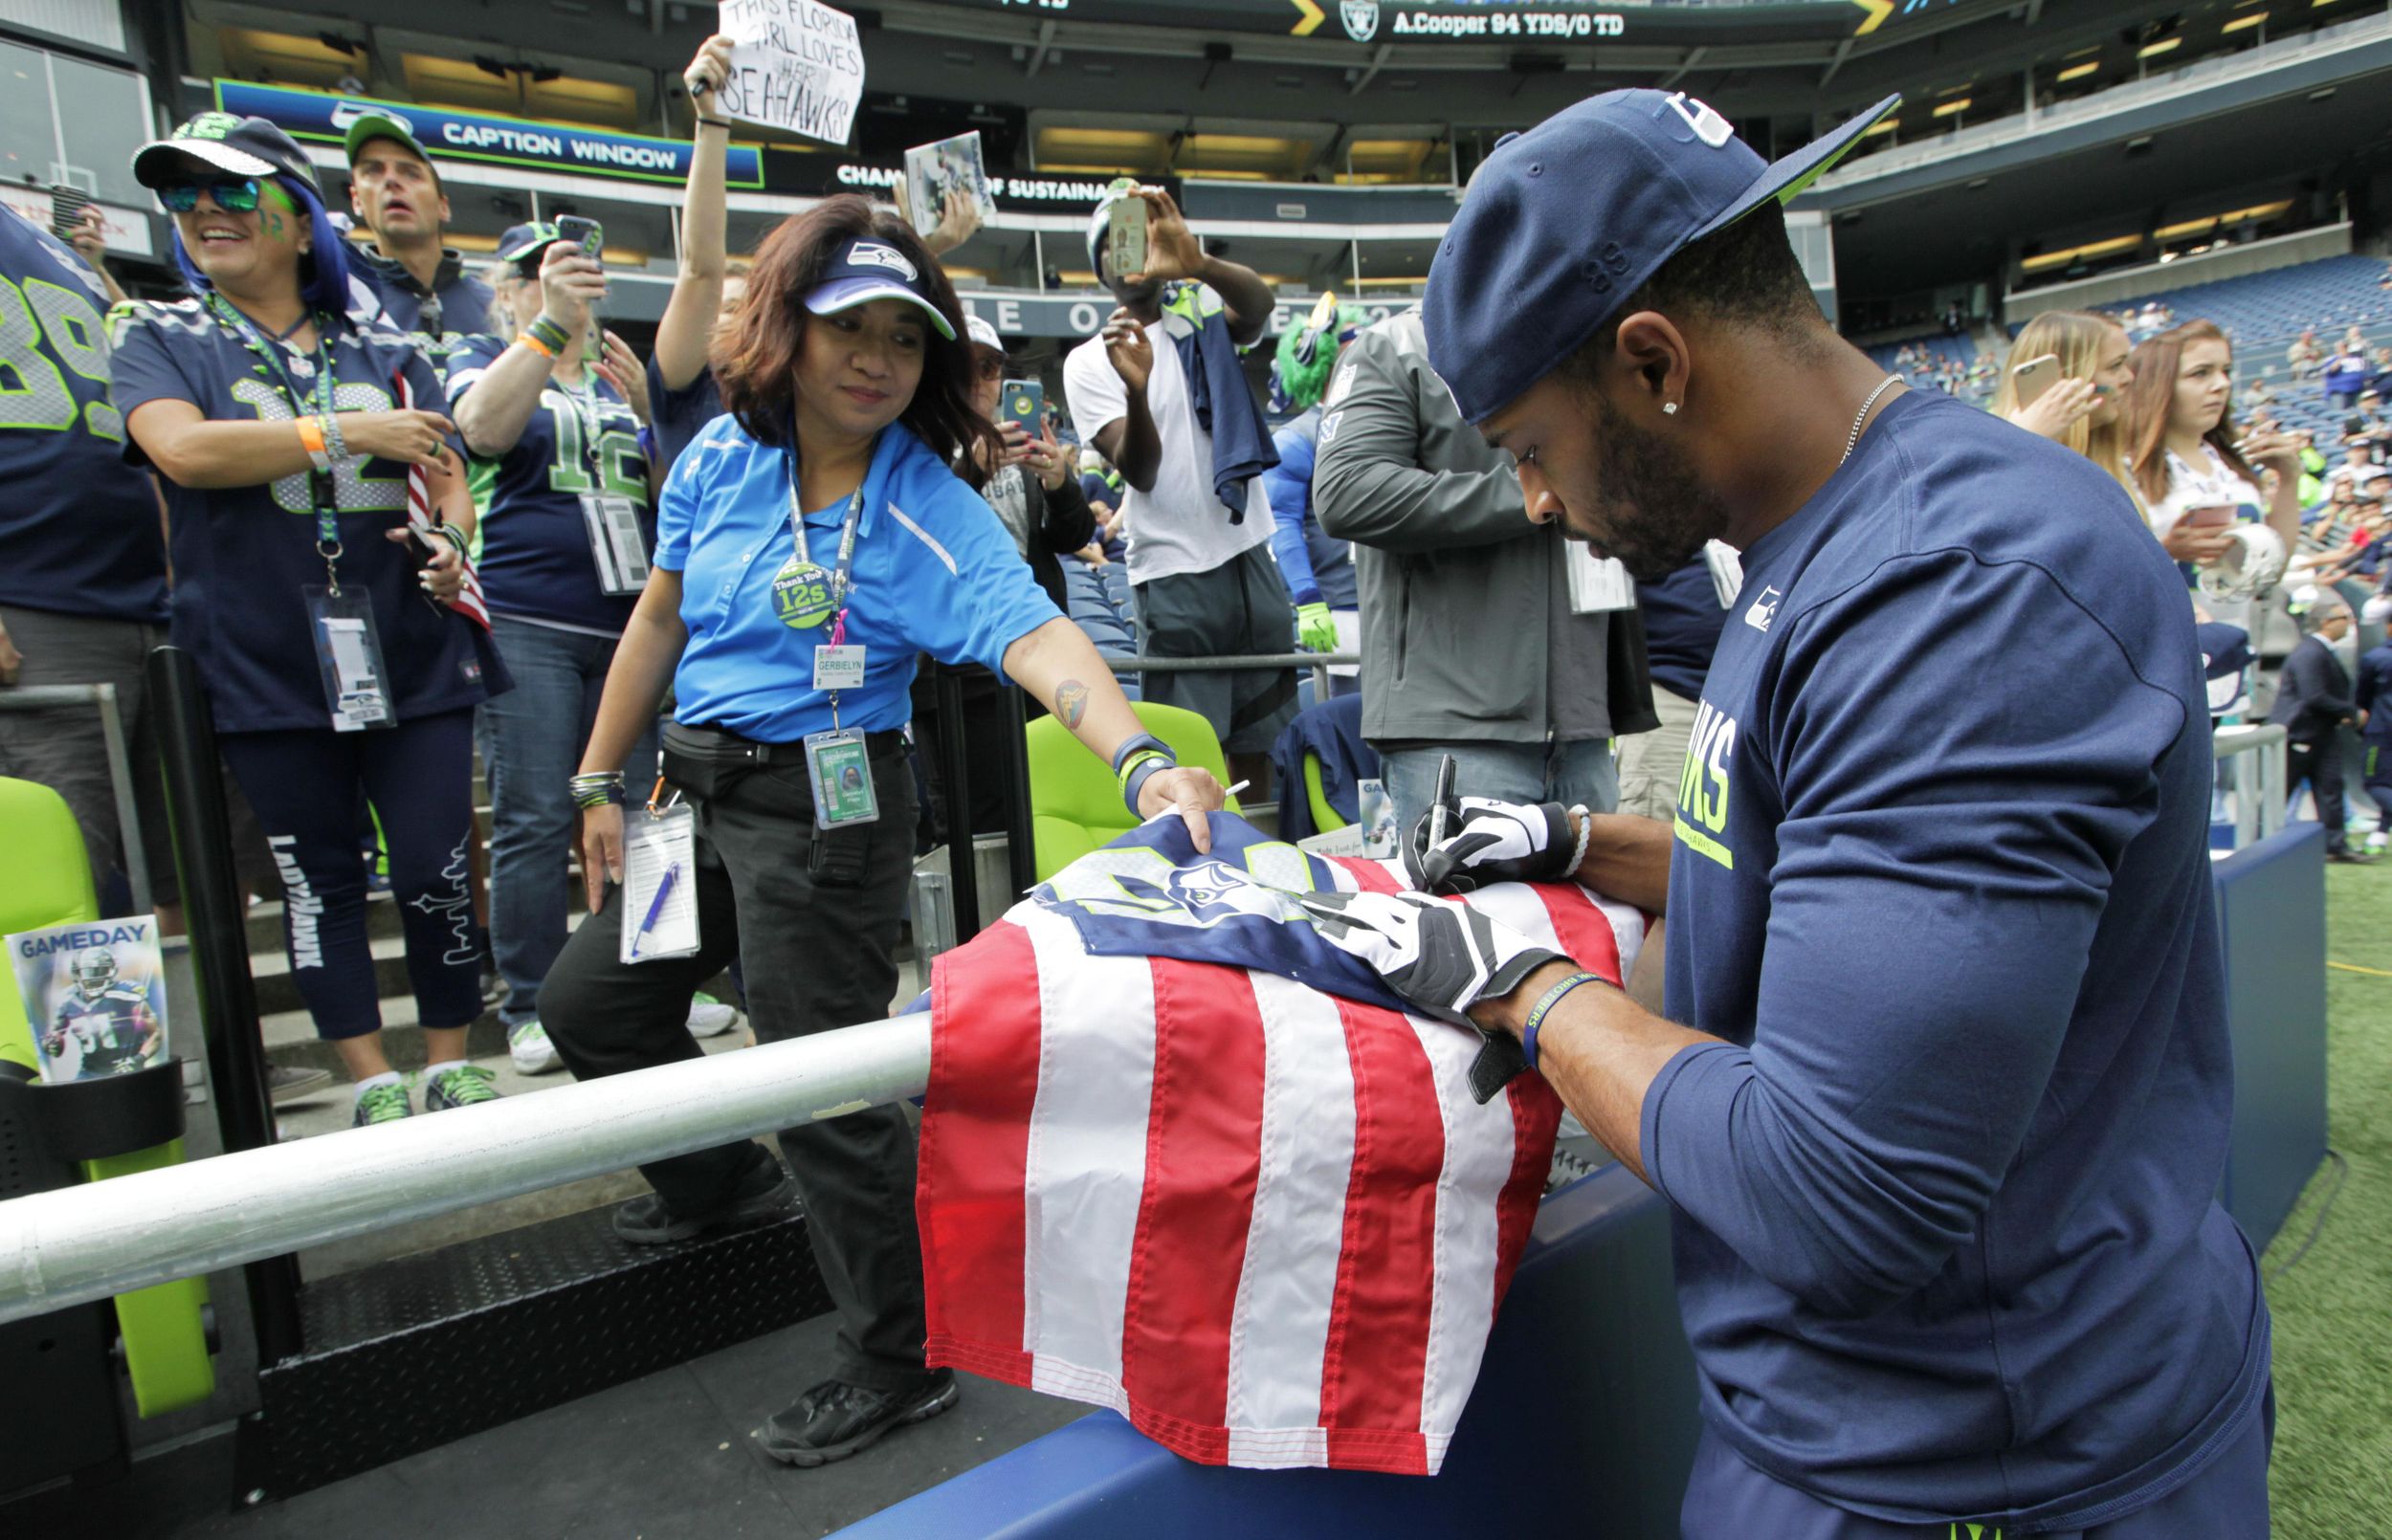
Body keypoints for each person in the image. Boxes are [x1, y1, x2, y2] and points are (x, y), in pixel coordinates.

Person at [1316, 89, 2270, 1535]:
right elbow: (1811, 864)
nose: (1533, 496)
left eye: (1528, 442)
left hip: (1987, 1455)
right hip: (1891, 1415)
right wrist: (1574, 843)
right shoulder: (1824, 531)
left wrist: (1534, 992)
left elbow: (1845, 1191)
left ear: (1654, 361)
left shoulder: (1955, 593)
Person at [534, 197, 1225, 1469]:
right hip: (695, 801)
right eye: (847, 325)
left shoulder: (921, 504)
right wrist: (595, 782)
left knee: (825, 1088)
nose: (876, 356)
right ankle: (719, 1190)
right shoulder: (714, 465)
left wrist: (1137, 758)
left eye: (904, 338)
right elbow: (656, 622)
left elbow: (1038, 632)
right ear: (785, 330)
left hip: (828, 820)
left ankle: (898, 1357)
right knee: (593, 1007)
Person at [112, 113, 504, 1127]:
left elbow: (450, 482)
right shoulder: (157, 332)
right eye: (184, 195)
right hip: (262, 660)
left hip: (411, 649)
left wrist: (452, 544)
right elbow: (185, 453)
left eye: (234, 191)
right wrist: (341, 430)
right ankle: (369, 1071)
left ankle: (450, 1056)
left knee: (434, 865)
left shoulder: (387, 340)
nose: (205, 209)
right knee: (316, 878)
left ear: (299, 220)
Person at [447, 223, 730, 1072]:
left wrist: (653, 414)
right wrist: (546, 328)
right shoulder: (479, 350)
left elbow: (668, 492)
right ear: (511, 288)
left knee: (649, 813)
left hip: (628, 617)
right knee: (536, 813)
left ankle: (654, 975)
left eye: (571, 268)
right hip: (528, 614)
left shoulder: (618, 374)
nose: (561, 280)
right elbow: (482, 431)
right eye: (537, 271)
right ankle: (530, 999)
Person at [1313, 302, 1655, 833]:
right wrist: (1543, 490)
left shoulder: (1581, 340)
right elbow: (1346, 491)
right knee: (1466, 917)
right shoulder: (1399, 345)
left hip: (1583, 725)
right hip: (1455, 731)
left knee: (1589, 919)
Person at [1062, 183, 1296, 791]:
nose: (1129, 249)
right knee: (1195, 748)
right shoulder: (1091, 360)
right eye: (1113, 241)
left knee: (1264, 743)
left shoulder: (1203, 316)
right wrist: (1137, 389)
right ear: (1099, 265)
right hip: (1172, 573)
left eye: (1137, 233)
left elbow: (1260, 305)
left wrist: (1200, 265)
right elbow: (1139, 471)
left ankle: (1264, 861)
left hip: (1248, 552)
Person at [0, 204, 181, 926]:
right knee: (60, 879)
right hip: (35, 606)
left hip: (144, 602)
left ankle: (182, 1041)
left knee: (185, 870)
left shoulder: (52, 247)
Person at [908, 312, 1095, 841]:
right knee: (976, 828)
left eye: (991, 367)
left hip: (1033, 657)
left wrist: (1059, 482)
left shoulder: (1024, 441)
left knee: (1044, 812)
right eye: (966, 366)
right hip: (957, 676)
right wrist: (972, 469)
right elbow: (920, 543)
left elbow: (1074, 534)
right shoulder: (914, 443)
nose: (981, 380)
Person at [2125, 320, 2304, 630]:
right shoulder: (2122, 470)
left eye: (2225, 371)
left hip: (2238, 647)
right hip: (2164, 651)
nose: (2221, 384)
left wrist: (2289, 480)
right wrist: (2166, 551)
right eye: (2201, 373)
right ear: (2157, 386)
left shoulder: (2232, 466)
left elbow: (2272, 568)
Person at [645, 34, 740, 483]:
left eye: (751, 310)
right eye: (726, 310)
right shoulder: (686, 391)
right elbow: (702, 271)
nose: (740, 323)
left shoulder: (795, 400)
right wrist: (712, 123)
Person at [1262, 299, 1368, 692]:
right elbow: (1282, 522)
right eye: (1353, 342)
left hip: (1400, 603)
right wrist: (1308, 597)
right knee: (1350, 730)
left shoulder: (1393, 418)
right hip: (1340, 607)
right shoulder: (1297, 439)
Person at [340, 112, 493, 341]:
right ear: (356, 199)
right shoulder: (341, 303)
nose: (391, 181)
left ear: (443, 206)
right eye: (373, 171)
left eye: (411, 173)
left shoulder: (494, 305)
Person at [1995, 309, 2140, 507]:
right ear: (2068, 378)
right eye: (2115, 366)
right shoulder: (1996, 466)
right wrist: (2027, 445)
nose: (2129, 377)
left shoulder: (2116, 460)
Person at [2270, 588, 2370, 864]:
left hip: (2321, 733)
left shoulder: (2318, 651)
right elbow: (2314, 696)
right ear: (2326, 622)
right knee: (2280, 792)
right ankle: (2261, 845)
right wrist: (2351, 712)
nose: (2349, 623)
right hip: (2301, 733)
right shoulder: (2310, 653)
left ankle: (2334, 845)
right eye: (2343, 617)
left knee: (2331, 789)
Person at [2356, 628, 2392, 853]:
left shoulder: (2376, 658)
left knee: (2374, 783)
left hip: (2383, 730)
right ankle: (2379, 835)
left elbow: (2362, 696)